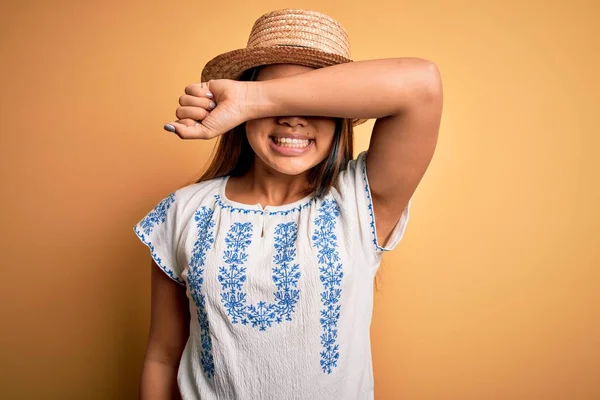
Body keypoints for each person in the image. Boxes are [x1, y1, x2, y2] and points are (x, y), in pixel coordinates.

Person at [133, 8, 442, 400]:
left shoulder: (361, 201)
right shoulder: (183, 211)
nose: (293, 120)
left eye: (315, 100)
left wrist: (253, 97)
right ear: (243, 116)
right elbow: (162, 357)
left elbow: (422, 84)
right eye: (273, 104)